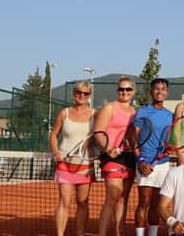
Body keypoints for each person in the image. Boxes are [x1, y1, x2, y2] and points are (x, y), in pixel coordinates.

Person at [49, 80, 94, 236]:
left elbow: (100, 136)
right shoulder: (64, 113)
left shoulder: (95, 114)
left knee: (82, 203)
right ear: (74, 94)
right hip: (65, 164)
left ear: (89, 95)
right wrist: (56, 152)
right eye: (79, 92)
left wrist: (92, 141)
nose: (81, 95)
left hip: (85, 165)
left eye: (85, 93)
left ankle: (79, 234)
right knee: (65, 201)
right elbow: (54, 135)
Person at [95, 76, 137, 236]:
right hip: (112, 156)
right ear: (117, 90)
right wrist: (108, 148)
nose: (124, 92)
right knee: (113, 196)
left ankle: (119, 232)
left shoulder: (135, 112)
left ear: (133, 91)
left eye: (128, 89)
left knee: (123, 198)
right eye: (121, 89)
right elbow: (98, 132)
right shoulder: (110, 108)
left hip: (129, 157)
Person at [134, 78, 173, 236]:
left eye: (163, 89)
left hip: (163, 164)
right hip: (145, 163)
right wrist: (140, 160)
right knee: (144, 202)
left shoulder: (171, 115)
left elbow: (171, 140)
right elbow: (133, 138)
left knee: (157, 204)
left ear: (167, 93)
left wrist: (170, 147)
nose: (160, 91)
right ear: (151, 92)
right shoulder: (142, 112)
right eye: (156, 88)